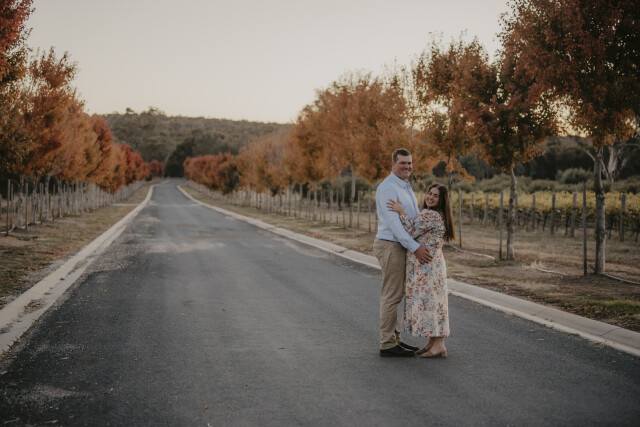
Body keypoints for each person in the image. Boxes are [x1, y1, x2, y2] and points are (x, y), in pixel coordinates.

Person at [373, 148, 432, 357]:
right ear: (393, 164)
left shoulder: (405, 186)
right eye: (402, 163)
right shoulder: (388, 188)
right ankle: (387, 343)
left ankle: (395, 339)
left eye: (409, 163)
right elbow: (395, 225)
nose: (407, 166)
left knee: (397, 294)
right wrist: (415, 247)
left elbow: (411, 217)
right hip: (391, 245)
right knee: (392, 294)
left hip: (400, 245)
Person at [387, 183, 455, 358]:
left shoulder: (430, 214)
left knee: (431, 304)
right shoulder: (439, 215)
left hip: (427, 268)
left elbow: (409, 231)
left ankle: (439, 344)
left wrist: (401, 212)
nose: (430, 197)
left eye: (436, 196)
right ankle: (433, 342)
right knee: (435, 303)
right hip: (433, 265)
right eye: (429, 193)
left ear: (442, 200)